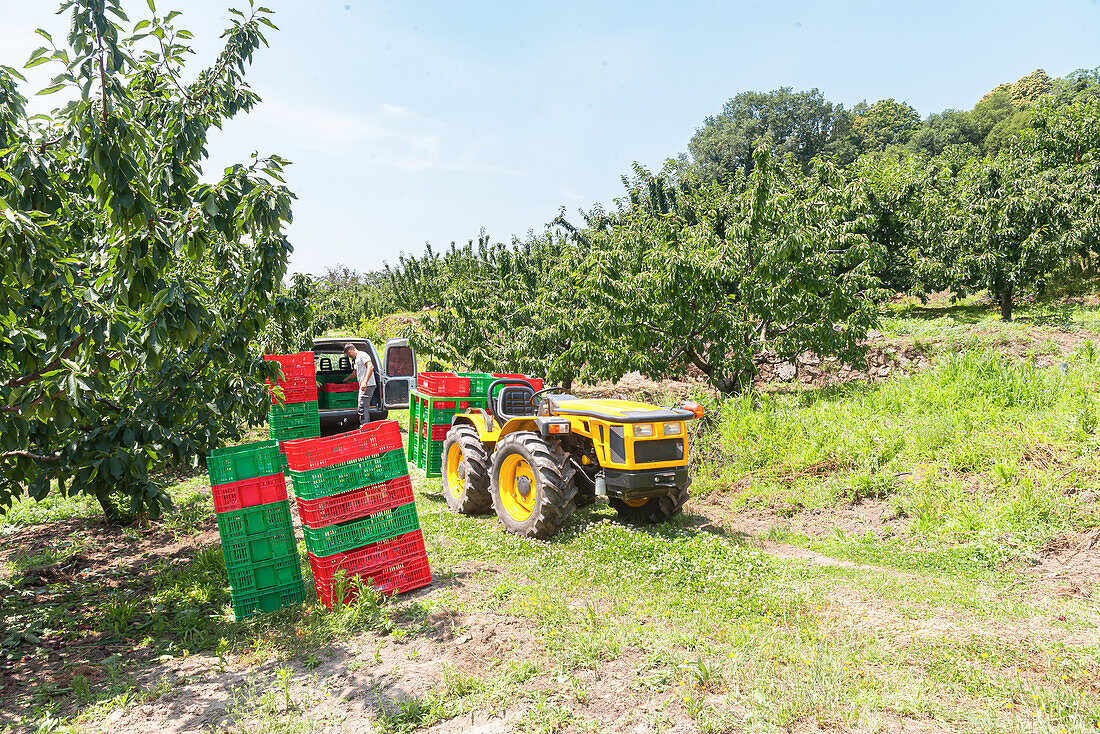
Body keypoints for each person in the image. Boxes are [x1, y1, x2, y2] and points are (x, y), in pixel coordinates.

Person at [343, 343, 376, 426]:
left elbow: (370, 366)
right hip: (363, 385)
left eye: (348, 354)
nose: (349, 356)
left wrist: (365, 382)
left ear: (350, 351)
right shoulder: (357, 358)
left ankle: (365, 427)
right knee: (361, 406)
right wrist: (345, 380)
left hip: (367, 385)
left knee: (362, 407)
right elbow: (355, 372)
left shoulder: (362, 355)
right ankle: (364, 426)